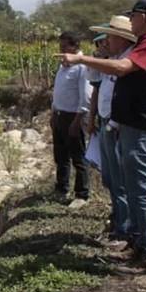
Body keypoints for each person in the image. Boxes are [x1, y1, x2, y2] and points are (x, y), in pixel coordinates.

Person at [57, 0, 146, 274]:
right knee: (132, 186)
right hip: (133, 124)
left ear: (142, 16)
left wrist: (82, 58)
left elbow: (123, 68)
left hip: (143, 126)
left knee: (141, 188)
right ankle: (137, 242)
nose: (131, 21)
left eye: (133, 16)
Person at [87, 15, 137, 244]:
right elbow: (98, 87)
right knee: (110, 177)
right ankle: (119, 219)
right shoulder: (113, 59)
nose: (105, 42)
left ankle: (125, 228)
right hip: (106, 122)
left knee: (120, 178)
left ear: (121, 38)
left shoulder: (126, 63)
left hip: (116, 125)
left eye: (109, 37)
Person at [51, 32, 92, 202]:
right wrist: (54, 113)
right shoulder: (64, 66)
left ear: (75, 47)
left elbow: (86, 96)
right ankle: (61, 189)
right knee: (61, 156)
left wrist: (77, 120)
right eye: (60, 46)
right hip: (60, 114)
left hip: (74, 117)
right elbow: (58, 91)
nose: (62, 50)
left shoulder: (82, 67)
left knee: (78, 157)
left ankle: (82, 195)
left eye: (65, 47)